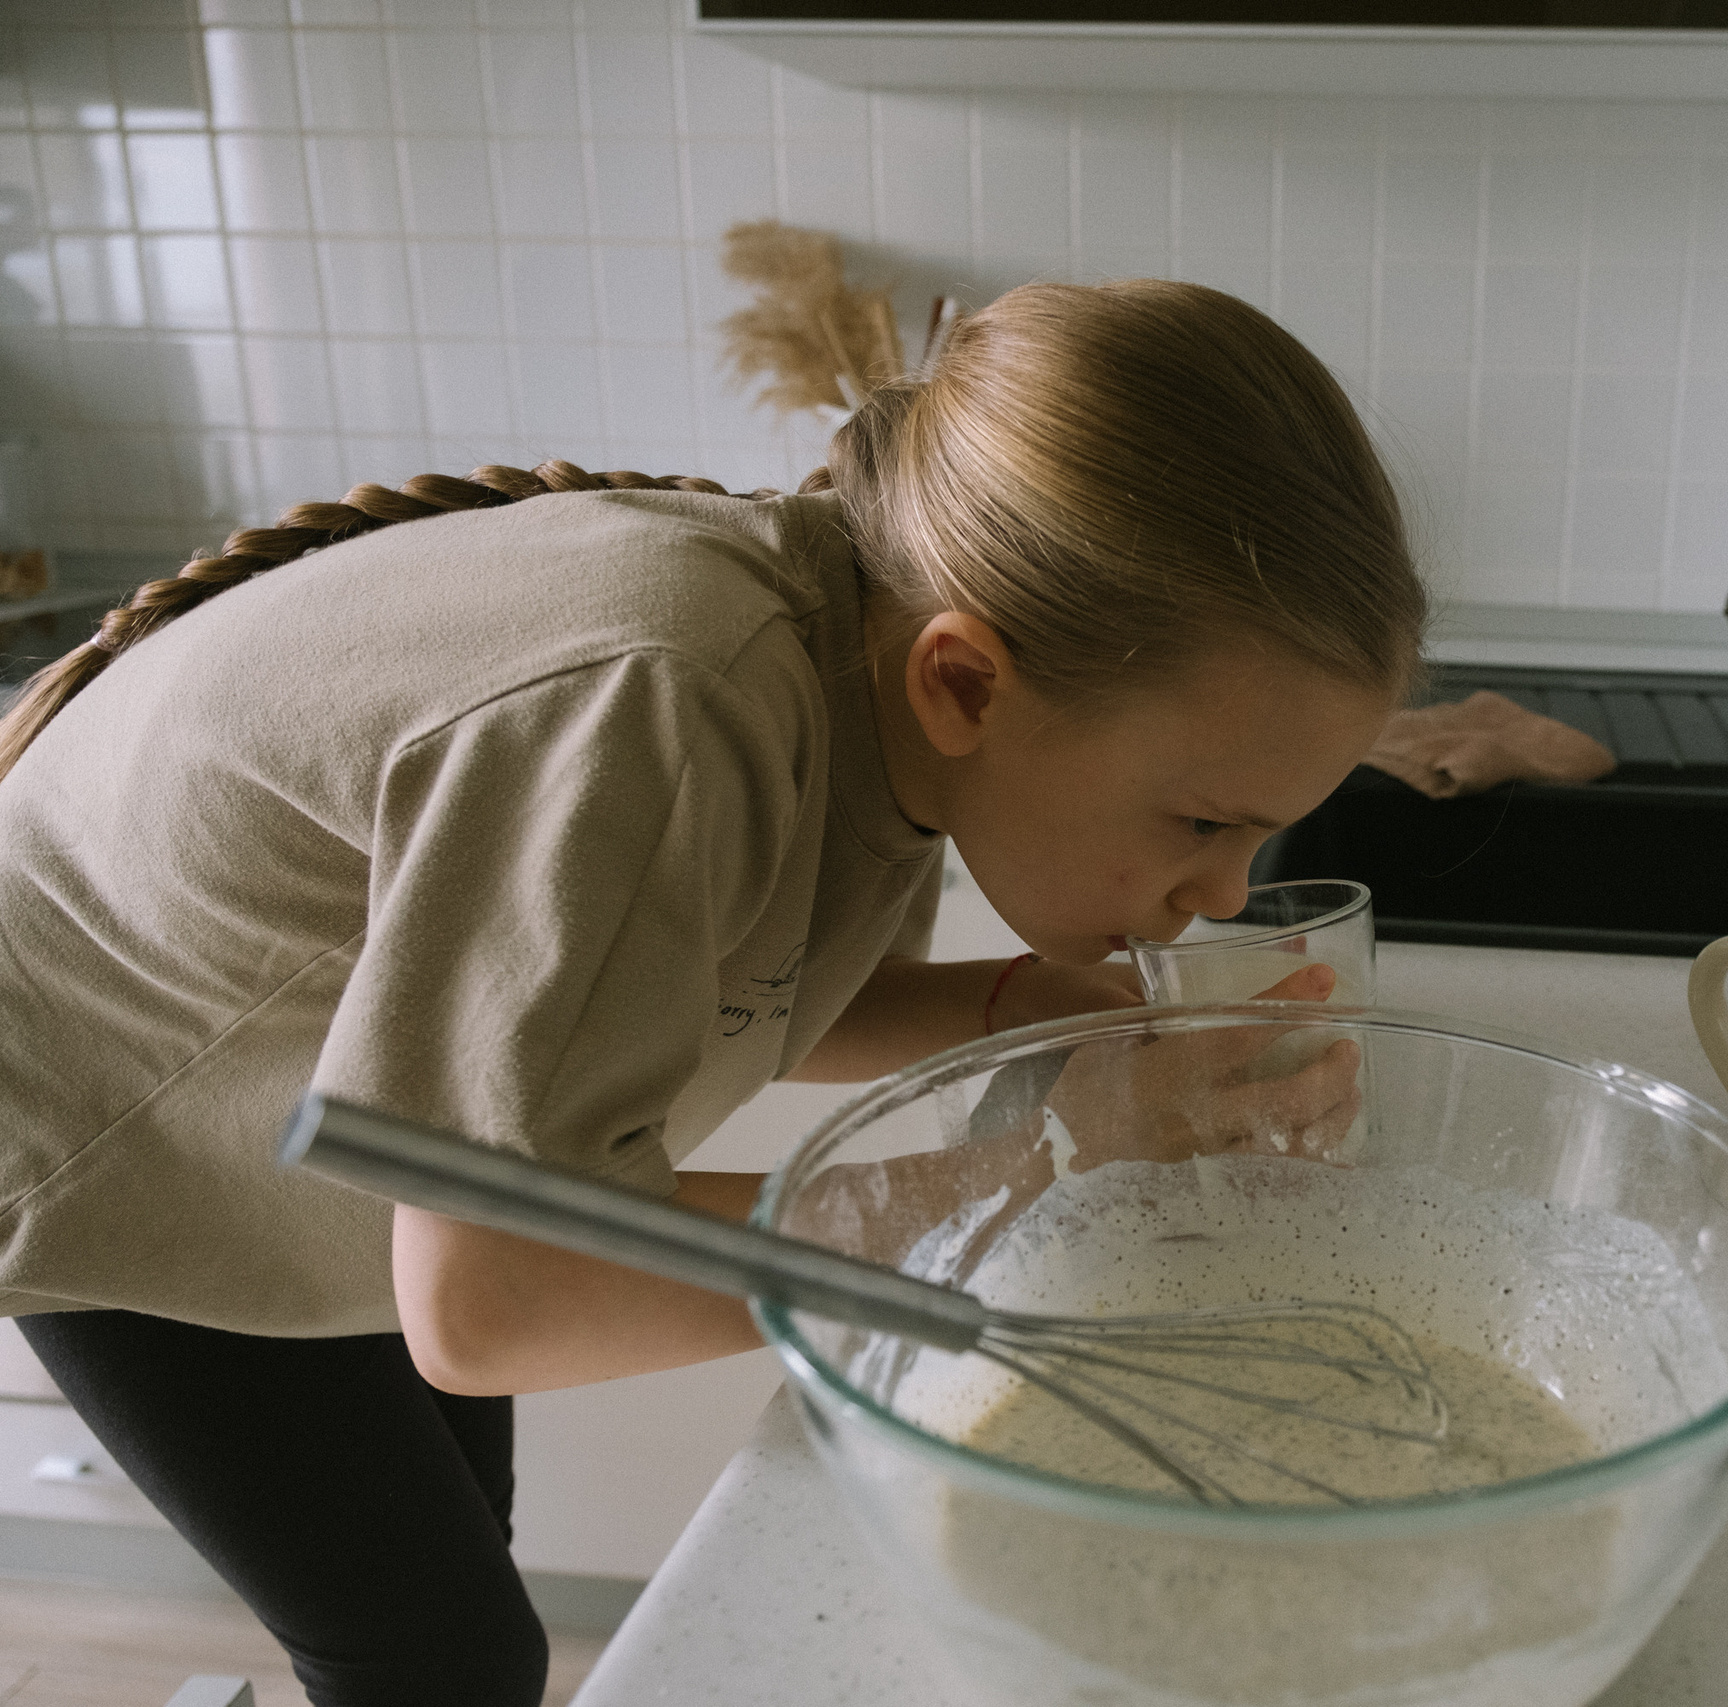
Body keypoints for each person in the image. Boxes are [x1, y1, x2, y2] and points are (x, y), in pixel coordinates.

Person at [0, 278, 1425, 1706]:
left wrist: (1017, 1008)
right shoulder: (664, 706)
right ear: (969, 685)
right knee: (442, 1654)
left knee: (461, 1569)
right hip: (120, 1113)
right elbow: (498, 1293)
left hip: (370, 1106)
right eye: (1202, 823)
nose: (1231, 893)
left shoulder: (870, 671)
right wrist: (1040, 1172)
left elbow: (721, 979)